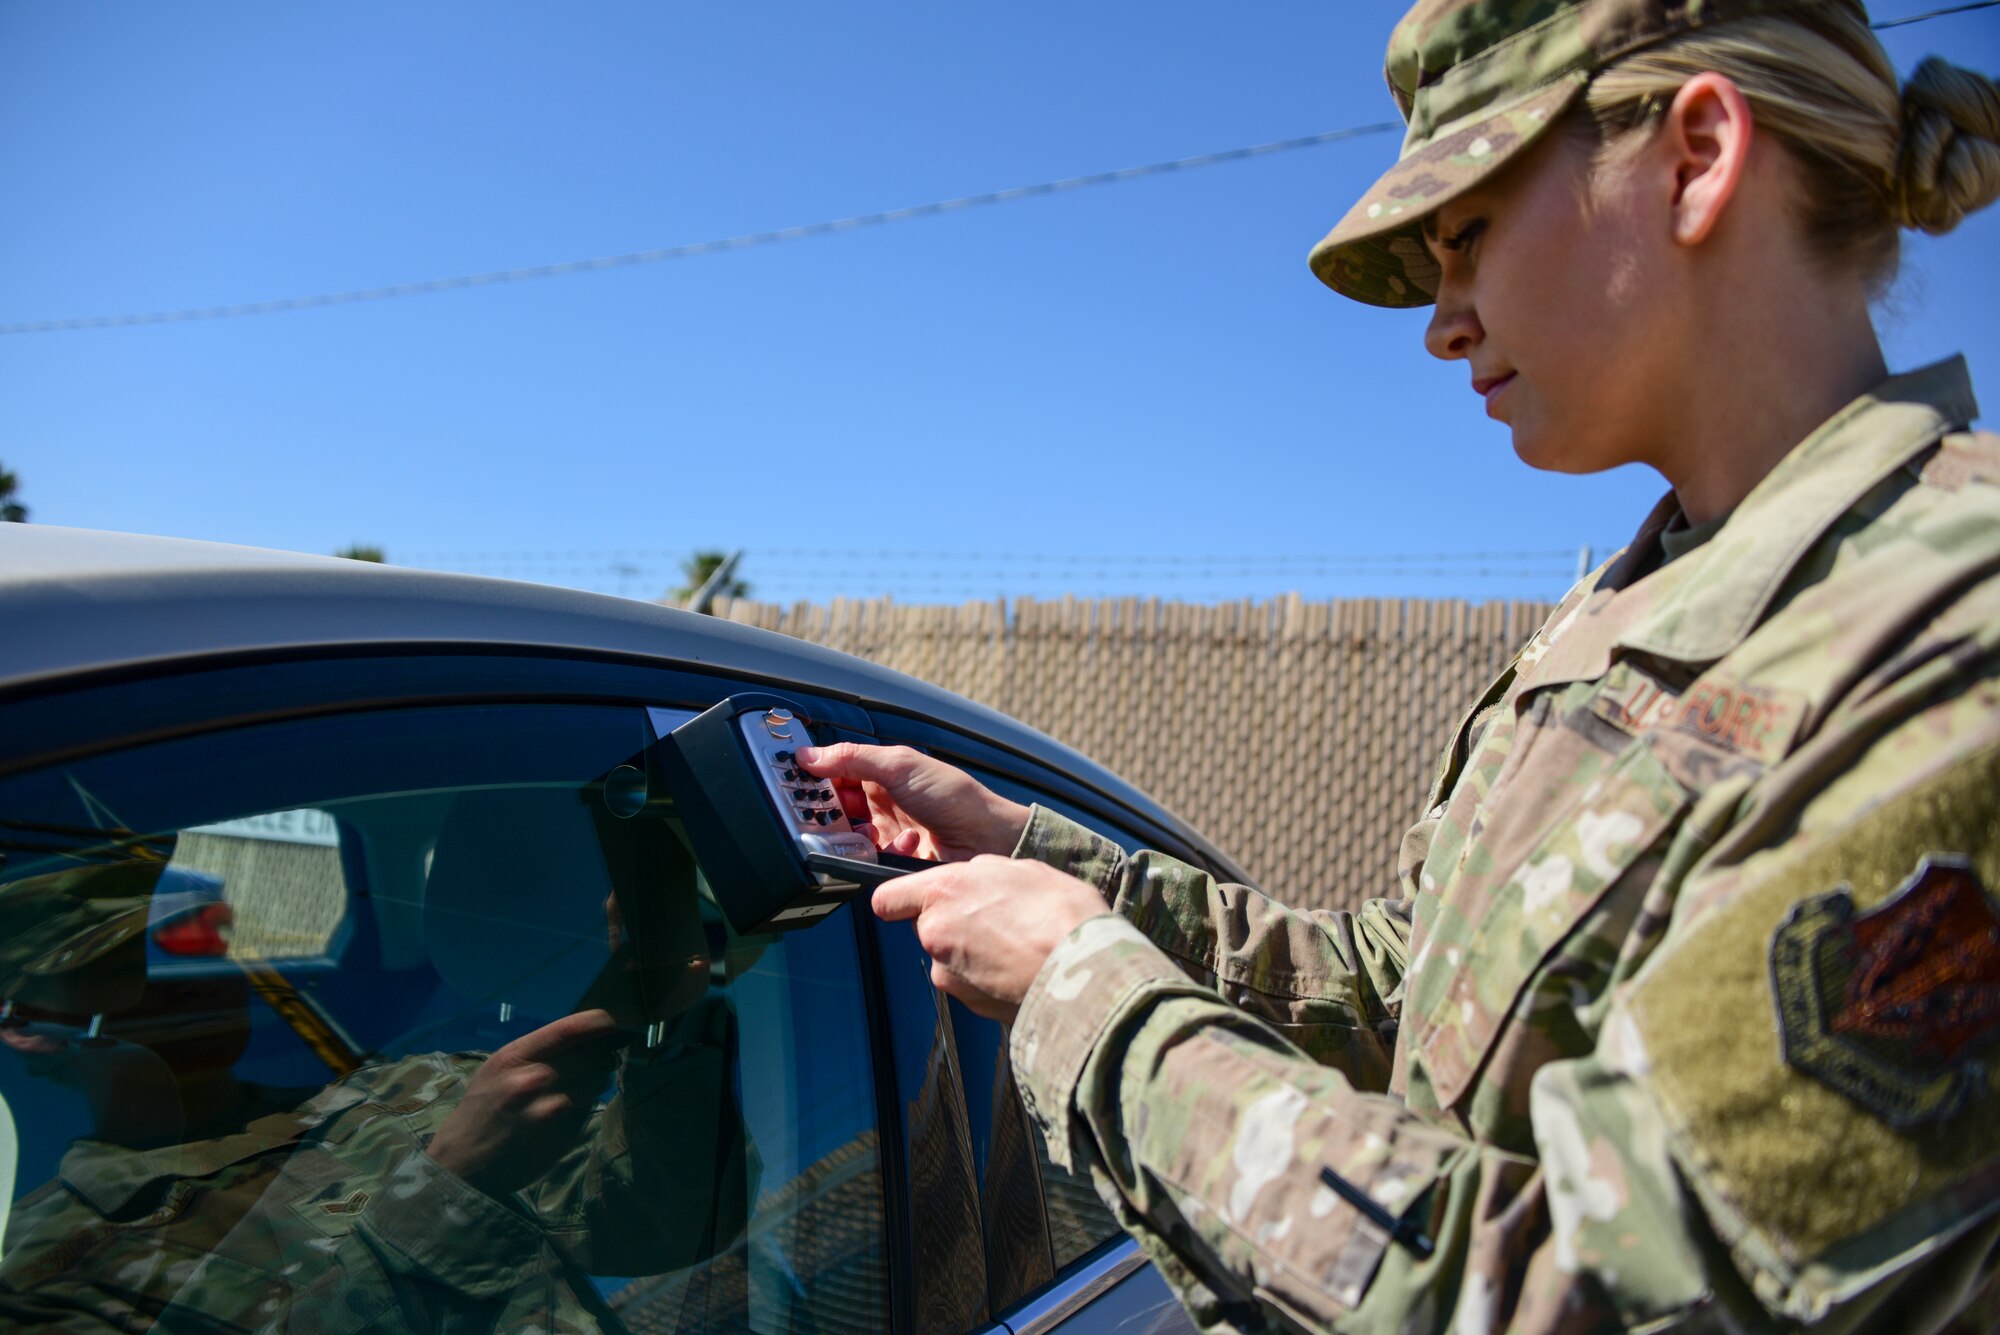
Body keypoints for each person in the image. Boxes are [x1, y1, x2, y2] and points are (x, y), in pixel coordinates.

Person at [798, 1, 2000, 1329]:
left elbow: (1595, 1294)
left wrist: (1094, 998)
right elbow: (1400, 993)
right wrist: (1038, 848)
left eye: (1468, 234)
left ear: (1698, 155)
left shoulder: (1951, 643)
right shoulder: (1638, 606)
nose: (1443, 322)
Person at [0, 856, 753, 1333]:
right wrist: (444, 1194)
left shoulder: (417, 1088)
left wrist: (666, 1014)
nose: (188, 972)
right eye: (131, 961)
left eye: (189, 936)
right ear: (32, 1030)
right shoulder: (46, 1266)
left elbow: (661, 1223)